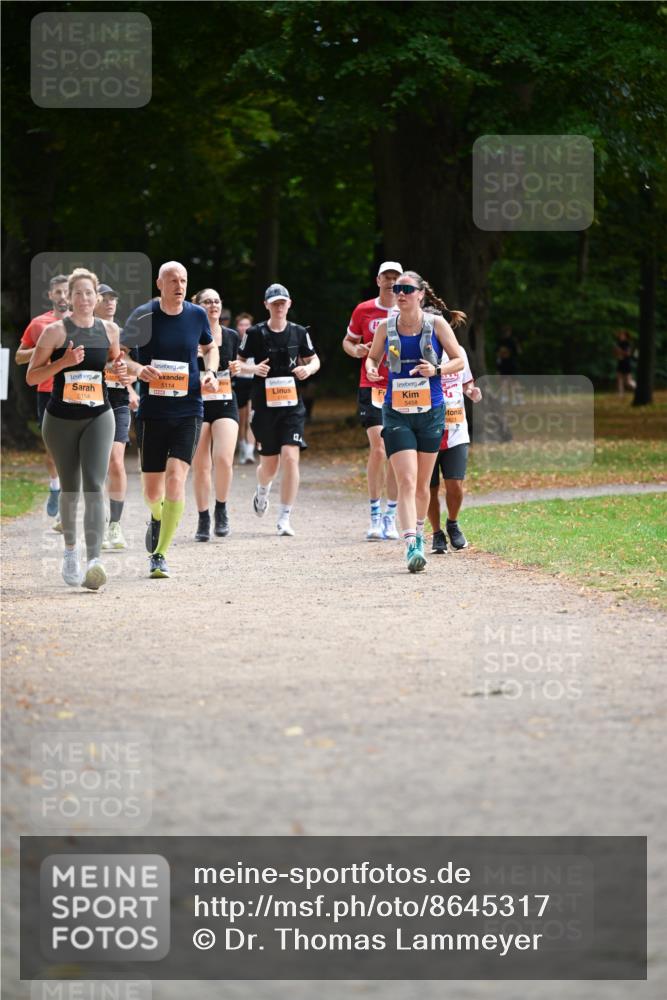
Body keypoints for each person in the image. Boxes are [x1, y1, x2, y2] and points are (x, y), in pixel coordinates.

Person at [26, 268, 126, 590]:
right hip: (60, 420)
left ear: (97, 297)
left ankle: (94, 561)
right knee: (71, 489)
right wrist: (63, 363)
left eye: (89, 293)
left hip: (99, 414)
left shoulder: (110, 330)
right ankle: (71, 551)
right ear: (69, 298)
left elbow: (112, 363)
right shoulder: (54, 332)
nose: (84, 299)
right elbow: (32, 376)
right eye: (78, 293)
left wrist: (119, 369)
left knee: (95, 484)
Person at [122, 261, 219, 579]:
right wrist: (138, 370)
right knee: (152, 492)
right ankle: (157, 515)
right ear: (159, 283)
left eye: (184, 280)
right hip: (153, 412)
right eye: (173, 280)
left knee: (177, 477)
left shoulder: (196, 315)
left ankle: (159, 554)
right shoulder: (143, 315)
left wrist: (210, 371)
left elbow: (209, 347)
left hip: (189, 408)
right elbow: (119, 353)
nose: (180, 285)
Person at [365, 271, 465, 573]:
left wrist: (435, 370)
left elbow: (459, 359)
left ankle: (420, 533)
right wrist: (371, 368)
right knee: (406, 481)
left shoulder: (436, 324)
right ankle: (412, 545)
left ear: (420, 294)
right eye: (397, 289)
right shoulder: (385, 327)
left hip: (431, 412)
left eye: (407, 289)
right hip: (396, 412)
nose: (401, 293)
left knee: (423, 484)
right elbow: (372, 357)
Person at [237, 283, 320, 537]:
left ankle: (285, 517)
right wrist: (253, 370)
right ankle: (262, 490)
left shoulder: (298, 332)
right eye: (274, 303)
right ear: (266, 306)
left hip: (292, 405)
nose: (279, 307)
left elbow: (313, 359)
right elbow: (237, 365)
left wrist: (309, 369)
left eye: (283, 303)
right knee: (269, 465)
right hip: (264, 404)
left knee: (291, 457)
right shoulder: (254, 333)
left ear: (289, 304)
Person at [343, 260, 402, 541]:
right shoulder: (364, 310)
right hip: (372, 385)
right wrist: (357, 352)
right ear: (378, 280)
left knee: (395, 452)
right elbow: (348, 341)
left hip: (404, 387)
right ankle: (375, 515)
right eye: (386, 277)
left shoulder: (410, 310)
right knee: (379, 447)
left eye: (395, 277)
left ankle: (391, 516)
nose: (391, 282)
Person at [15, 274, 70, 519]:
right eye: (57, 292)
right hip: (47, 391)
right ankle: (55, 486)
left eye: (66, 292)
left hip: (75, 390)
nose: (62, 296)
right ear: (50, 296)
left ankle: (69, 499)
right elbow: (19, 357)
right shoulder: (39, 324)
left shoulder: (83, 322)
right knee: (52, 449)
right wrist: (42, 347)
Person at [190, 288, 242, 541]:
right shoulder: (189, 335)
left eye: (217, 300)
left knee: (223, 458)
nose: (213, 305)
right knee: (201, 466)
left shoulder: (231, 336)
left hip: (224, 401)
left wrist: (236, 368)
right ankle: (203, 516)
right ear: (198, 306)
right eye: (207, 301)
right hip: (197, 404)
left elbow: (238, 366)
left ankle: (221, 508)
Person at [95, 284, 139, 550]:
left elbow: (133, 370)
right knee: (95, 466)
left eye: (114, 298)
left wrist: (130, 382)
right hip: (91, 400)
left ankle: (115, 525)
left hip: (118, 402)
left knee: (116, 461)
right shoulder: (85, 333)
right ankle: (96, 521)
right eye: (105, 298)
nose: (110, 302)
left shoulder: (125, 335)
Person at [428, 344, 482, 554]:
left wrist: (472, 392)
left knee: (455, 485)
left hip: (456, 429)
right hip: (427, 429)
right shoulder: (415, 349)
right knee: (429, 488)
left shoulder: (458, 351)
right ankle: (436, 533)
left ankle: (452, 523)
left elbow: (467, 383)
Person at [233, 312, 256, 464]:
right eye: (242, 325)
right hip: (239, 383)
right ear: (237, 327)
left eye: (247, 325)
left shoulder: (257, 340)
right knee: (241, 419)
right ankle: (242, 446)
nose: (244, 327)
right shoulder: (234, 341)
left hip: (254, 383)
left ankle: (250, 452)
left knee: (250, 418)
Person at [614, 330, 637, 395]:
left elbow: (628, 353)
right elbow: (616, 354)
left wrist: (619, 350)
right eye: (620, 335)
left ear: (625, 336)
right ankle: (620, 394)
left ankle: (638, 388)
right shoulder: (618, 343)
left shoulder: (627, 343)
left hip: (626, 363)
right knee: (619, 379)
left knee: (628, 382)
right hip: (620, 362)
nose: (620, 336)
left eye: (622, 335)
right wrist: (616, 352)